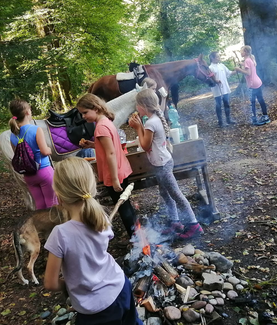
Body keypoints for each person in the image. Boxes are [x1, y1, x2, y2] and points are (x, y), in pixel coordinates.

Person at [43, 157, 143, 325]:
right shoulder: (100, 217)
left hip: (95, 311)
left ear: (59, 196)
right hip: (120, 287)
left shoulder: (60, 234)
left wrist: (68, 284)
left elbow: (50, 283)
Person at [128, 88, 204, 240]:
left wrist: (138, 128)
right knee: (165, 193)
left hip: (162, 165)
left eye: (137, 105)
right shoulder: (157, 116)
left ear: (143, 106)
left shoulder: (150, 123)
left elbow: (145, 146)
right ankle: (175, 222)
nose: (136, 108)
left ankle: (194, 225)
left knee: (176, 194)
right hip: (164, 161)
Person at [76, 93, 137, 239]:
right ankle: (137, 235)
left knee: (123, 207)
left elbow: (110, 153)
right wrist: (92, 145)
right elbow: (106, 147)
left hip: (114, 173)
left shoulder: (100, 128)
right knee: (125, 204)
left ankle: (135, 238)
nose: (83, 116)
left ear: (96, 108)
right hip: (121, 169)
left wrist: (114, 179)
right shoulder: (106, 122)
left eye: (85, 112)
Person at [9, 99, 58, 209]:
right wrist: (50, 149)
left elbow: (18, 155)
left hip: (28, 175)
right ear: (27, 112)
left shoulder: (13, 135)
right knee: (52, 203)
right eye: (30, 109)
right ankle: (55, 225)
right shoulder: (36, 129)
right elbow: (45, 151)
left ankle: (42, 225)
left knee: (39, 204)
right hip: (44, 171)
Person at [234, 45, 271, 126]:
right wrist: (241, 63)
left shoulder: (247, 60)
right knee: (261, 100)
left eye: (242, 51)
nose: (241, 52)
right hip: (257, 82)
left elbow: (248, 73)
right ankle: (266, 117)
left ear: (246, 52)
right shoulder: (251, 58)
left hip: (252, 84)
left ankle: (254, 120)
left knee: (252, 103)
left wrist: (238, 69)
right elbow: (249, 66)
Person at [209, 51, 236, 127]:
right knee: (218, 105)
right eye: (217, 56)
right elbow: (210, 79)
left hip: (225, 88)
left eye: (219, 56)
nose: (219, 58)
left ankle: (228, 120)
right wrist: (216, 81)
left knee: (226, 104)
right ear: (212, 58)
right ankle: (220, 122)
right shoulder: (210, 68)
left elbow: (229, 73)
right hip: (217, 90)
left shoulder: (222, 65)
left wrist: (237, 70)